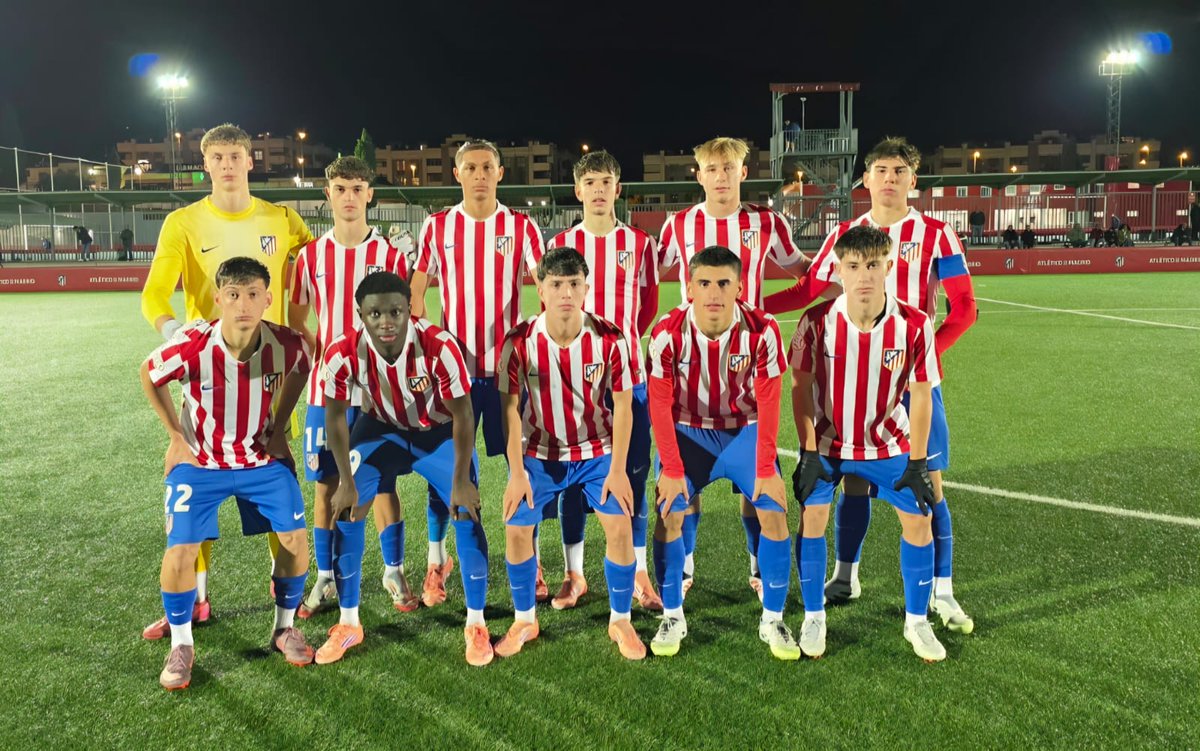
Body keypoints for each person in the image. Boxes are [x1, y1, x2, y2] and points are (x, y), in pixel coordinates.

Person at [763, 136, 976, 635]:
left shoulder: (937, 234)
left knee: (929, 487)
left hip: (907, 372)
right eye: (880, 170)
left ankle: (942, 592)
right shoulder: (847, 233)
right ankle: (846, 576)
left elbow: (964, 309)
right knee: (852, 478)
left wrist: (916, 359)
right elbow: (808, 291)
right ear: (866, 179)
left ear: (913, 179)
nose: (889, 179)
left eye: (899, 170)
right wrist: (750, 311)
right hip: (849, 374)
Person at [139, 123, 313, 640]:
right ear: (206, 163)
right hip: (207, 376)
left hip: (271, 375)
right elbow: (154, 294)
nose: (228, 163)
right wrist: (175, 331)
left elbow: (319, 263)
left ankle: (284, 602)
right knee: (202, 475)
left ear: (250, 159)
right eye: (218, 156)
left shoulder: (283, 219)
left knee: (273, 483)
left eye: (236, 154)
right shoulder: (183, 222)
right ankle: (197, 598)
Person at [144, 257, 315, 690]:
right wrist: (175, 438)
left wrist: (279, 427)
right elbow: (149, 375)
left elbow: (303, 368)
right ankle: (182, 644)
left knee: (295, 540)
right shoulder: (192, 344)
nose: (244, 304)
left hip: (260, 461)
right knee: (180, 550)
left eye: (253, 294)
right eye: (234, 295)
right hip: (201, 464)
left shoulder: (286, 343)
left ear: (268, 299)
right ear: (218, 299)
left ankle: (283, 628)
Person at [657, 136, 809, 599]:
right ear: (698, 175)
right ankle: (682, 570)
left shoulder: (767, 222)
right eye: (712, 169)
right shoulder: (678, 225)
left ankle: (760, 569)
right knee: (687, 485)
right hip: (693, 371)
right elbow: (646, 278)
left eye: (729, 168)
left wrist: (766, 308)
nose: (721, 177)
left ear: (744, 172)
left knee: (755, 489)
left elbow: (805, 275)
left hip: (749, 363)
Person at [790, 225, 945, 661]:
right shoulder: (816, 322)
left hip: (888, 442)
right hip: (828, 442)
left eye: (873, 265)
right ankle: (814, 615)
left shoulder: (914, 325)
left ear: (889, 267)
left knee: (918, 520)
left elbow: (920, 394)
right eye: (853, 266)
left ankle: (917, 622)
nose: (863, 276)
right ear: (838, 269)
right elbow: (800, 388)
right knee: (813, 515)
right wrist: (806, 451)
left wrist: (916, 460)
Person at [319, 271, 486, 665]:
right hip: (381, 430)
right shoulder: (342, 352)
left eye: (395, 311)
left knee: (466, 509)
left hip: (437, 433)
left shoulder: (439, 346)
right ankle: (349, 623)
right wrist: (345, 481)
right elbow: (336, 418)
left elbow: (463, 414)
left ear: (410, 308)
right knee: (346, 507)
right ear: (360, 314)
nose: (386, 321)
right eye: (374, 313)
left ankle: (476, 623)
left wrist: (461, 480)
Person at [409, 139, 546, 605]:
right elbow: (417, 290)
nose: (480, 174)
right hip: (456, 375)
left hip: (508, 375)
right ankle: (436, 561)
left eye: (488, 166)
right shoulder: (439, 226)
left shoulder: (521, 226)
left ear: (500, 173)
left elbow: (545, 288)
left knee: (523, 467)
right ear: (457, 173)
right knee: (450, 471)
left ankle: (535, 560)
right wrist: (429, 346)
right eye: (471, 167)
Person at [494, 247, 646, 661]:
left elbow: (624, 406)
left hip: (598, 451)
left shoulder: (611, 338)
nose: (566, 293)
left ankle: (620, 618)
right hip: (540, 454)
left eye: (574, 284)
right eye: (556, 284)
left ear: (587, 287)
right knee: (516, 527)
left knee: (619, 526)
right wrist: (516, 472)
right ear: (540, 288)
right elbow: (509, 413)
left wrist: (617, 470)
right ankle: (525, 618)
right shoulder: (519, 341)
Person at [646, 246, 797, 660]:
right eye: (705, 283)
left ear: (740, 286)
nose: (714, 293)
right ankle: (672, 614)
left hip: (742, 432)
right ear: (690, 287)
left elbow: (769, 402)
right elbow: (658, 405)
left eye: (724, 283)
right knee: (670, 508)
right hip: (688, 433)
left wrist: (766, 467)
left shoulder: (762, 330)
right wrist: (672, 469)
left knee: (773, 508)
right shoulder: (667, 333)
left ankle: (773, 617)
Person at [286, 157, 415, 619]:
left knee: (381, 483)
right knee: (324, 485)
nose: (349, 197)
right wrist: (324, 350)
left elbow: (408, 316)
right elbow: (297, 316)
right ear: (328, 193)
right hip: (327, 391)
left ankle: (393, 568)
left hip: (380, 391)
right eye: (340, 188)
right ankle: (325, 577)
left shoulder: (392, 254)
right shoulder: (311, 257)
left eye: (357, 188)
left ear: (370, 194)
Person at [543, 150, 662, 611]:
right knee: (571, 477)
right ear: (578, 190)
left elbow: (647, 306)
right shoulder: (561, 244)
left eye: (605, 181)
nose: (597, 189)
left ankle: (639, 573)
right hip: (572, 382)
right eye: (589, 181)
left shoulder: (639, 243)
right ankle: (575, 574)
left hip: (629, 378)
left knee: (633, 473)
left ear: (617, 188)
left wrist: (623, 342)